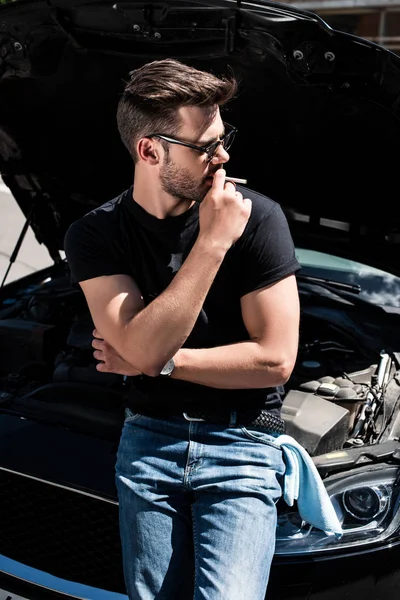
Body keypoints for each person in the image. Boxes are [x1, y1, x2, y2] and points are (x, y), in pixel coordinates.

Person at [64, 58, 301, 600]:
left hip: (243, 442)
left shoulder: (258, 217)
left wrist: (165, 362)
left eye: (224, 138)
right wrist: (211, 244)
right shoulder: (95, 234)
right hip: (149, 438)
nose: (224, 157)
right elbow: (140, 348)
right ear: (150, 151)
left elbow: (275, 360)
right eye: (206, 146)